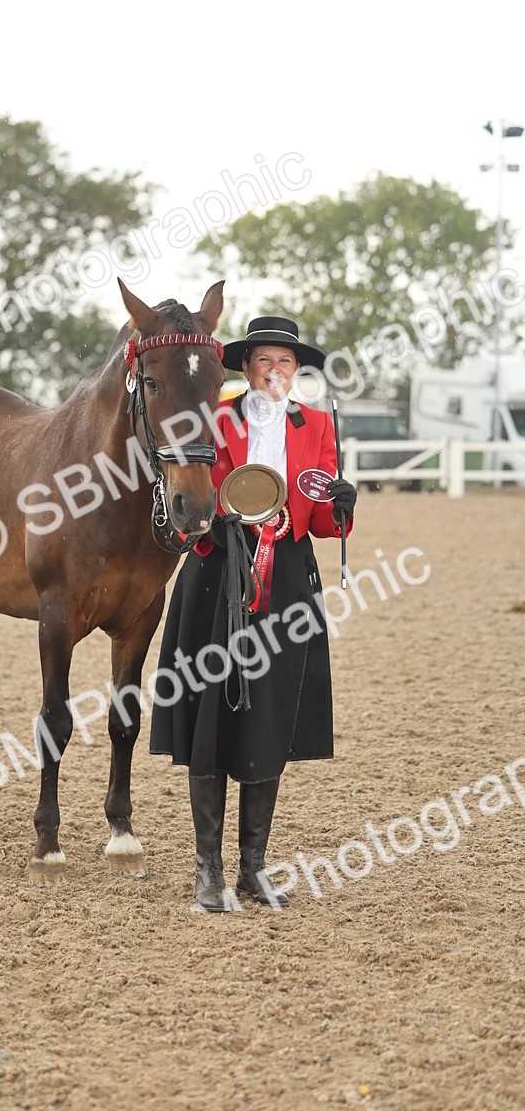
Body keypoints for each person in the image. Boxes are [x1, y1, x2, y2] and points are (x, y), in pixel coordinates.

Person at [149, 315, 357, 911]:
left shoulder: (318, 425)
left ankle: (253, 869)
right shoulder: (214, 419)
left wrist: (341, 506)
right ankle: (207, 870)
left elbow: (323, 521)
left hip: (286, 580)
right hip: (217, 571)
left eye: (285, 362)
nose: (275, 370)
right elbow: (184, 494)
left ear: (297, 371)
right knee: (210, 714)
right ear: (245, 367)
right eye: (264, 360)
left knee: (269, 713)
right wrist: (210, 527)